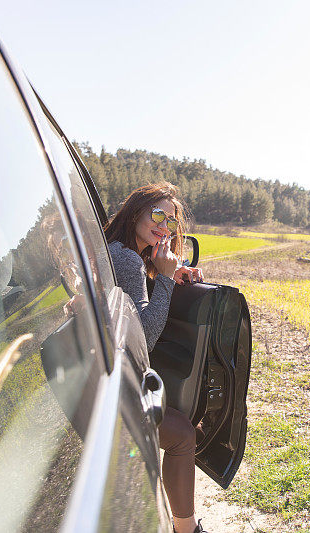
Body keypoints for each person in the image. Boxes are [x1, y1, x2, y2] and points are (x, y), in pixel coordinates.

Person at [103, 182, 206, 533]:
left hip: (101, 373)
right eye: (158, 214)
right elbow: (144, 336)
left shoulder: (116, 252)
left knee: (179, 430)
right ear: (136, 211)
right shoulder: (128, 259)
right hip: (111, 388)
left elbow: (133, 310)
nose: (165, 226)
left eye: (172, 222)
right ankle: (186, 529)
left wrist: (168, 276)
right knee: (181, 434)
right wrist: (163, 278)